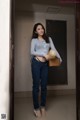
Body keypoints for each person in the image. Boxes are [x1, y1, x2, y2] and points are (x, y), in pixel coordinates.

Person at [30, 23, 62, 117]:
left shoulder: (49, 39)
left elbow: (54, 49)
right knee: (36, 86)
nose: (41, 30)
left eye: (42, 28)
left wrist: (60, 58)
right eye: (38, 29)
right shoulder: (34, 40)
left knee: (44, 86)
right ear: (36, 31)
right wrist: (43, 55)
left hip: (45, 64)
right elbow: (32, 51)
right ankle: (36, 108)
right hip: (36, 63)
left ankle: (43, 106)